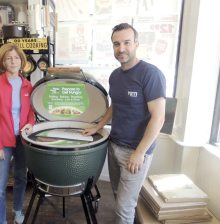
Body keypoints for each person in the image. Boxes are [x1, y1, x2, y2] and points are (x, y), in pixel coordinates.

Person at [82, 23, 166, 223]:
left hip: (136, 151)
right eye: (116, 44)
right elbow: (115, 105)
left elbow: (159, 117)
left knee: (123, 208)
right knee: (119, 197)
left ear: (136, 43)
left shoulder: (150, 74)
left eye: (126, 43)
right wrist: (98, 125)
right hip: (115, 145)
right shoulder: (115, 76)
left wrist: (140, 152)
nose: (121, 49)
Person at [0, 43, 35, 224]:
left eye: (16, 58)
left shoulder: (28, 85)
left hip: (22, 141)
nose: (13, 61)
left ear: (22, 61)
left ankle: (18, 210)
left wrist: (30, 123)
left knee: (21, 177)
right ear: (2, 62)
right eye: (8, 58)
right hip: (2, 143)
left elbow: (31, 112)